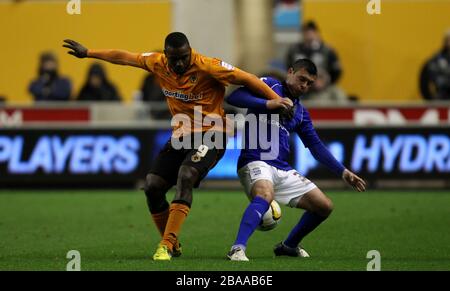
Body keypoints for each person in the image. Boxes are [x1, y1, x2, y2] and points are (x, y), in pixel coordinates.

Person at [63, 32, 293, 261]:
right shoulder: (157, 63)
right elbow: (124, 57)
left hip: (214, 133)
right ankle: (172, 242)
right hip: (181, 135)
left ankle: (165, 244)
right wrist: (89, 53)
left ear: (190, 51)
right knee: (153, 187)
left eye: (184, 56)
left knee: (186, 174)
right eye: (175, 59)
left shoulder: (208, 66)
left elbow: (248, 78)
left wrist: (276, 100)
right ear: (166, 56)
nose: (181, 62)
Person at [225, 58, 366, 261]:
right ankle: (237, 249)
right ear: (290, 72)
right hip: (256, 159)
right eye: (302, 79)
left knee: (324, 206)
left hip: (282, 168)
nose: (304, 86)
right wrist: (269, 102)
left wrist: (343, 172)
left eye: (309, 83)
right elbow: (235, 96)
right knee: (265, 194)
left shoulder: (300, 112)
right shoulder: (271, 85)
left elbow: (316, 146)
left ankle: (289, 246)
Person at [285, 20, 346, 103]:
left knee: (339, 96)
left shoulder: (327, 50)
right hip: (300, 88)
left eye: (312, 32)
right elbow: (288, 69)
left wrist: (324, 82)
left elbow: (336, 71)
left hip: (322, 88)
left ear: (317, 33)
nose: (309, 35)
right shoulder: (294, 50)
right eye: (306, 33)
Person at [420, 30, 450, 101]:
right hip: (443, 99)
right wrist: (430, 101)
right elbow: (424, 81)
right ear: (446, 42)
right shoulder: (436, 60)